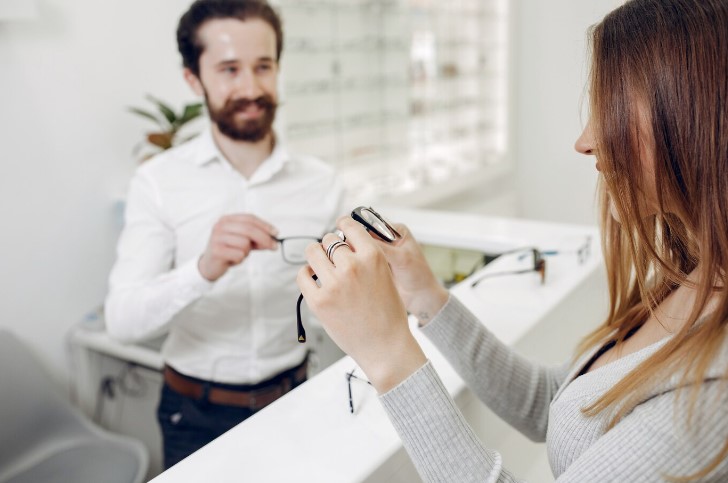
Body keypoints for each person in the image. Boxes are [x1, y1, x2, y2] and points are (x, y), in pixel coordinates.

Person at [297, 0, 728, 480]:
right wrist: (424, 294)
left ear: (696, 117)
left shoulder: (715, 395)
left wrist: (388, 354)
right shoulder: (693, 278)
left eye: (614, 108)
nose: (584, 140)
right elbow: (551, 403)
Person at [105, 0, 344, 469]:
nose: (251, 88)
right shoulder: (157, 181)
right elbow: (122, 321)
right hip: (194, 416)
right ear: (193, 79)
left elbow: (345, 301)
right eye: (229, 69)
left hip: (296, 401)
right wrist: (203, 269)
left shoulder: (322, 183)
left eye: (264, 66)